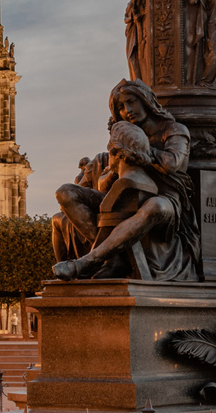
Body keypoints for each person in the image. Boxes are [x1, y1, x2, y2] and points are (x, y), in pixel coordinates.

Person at [51, 79, 200, 282]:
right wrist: (112, 170)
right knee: (65, 192)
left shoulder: (174, 130)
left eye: (131, 101)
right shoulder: (121, 136)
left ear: (145, 100)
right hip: (124, 198)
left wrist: (138, 150)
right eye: (120, 107)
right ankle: (115, 257)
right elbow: (107, 184)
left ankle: (88, 261)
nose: (127, 110)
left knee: (155, 205)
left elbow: (171, 163)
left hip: (166, 200)